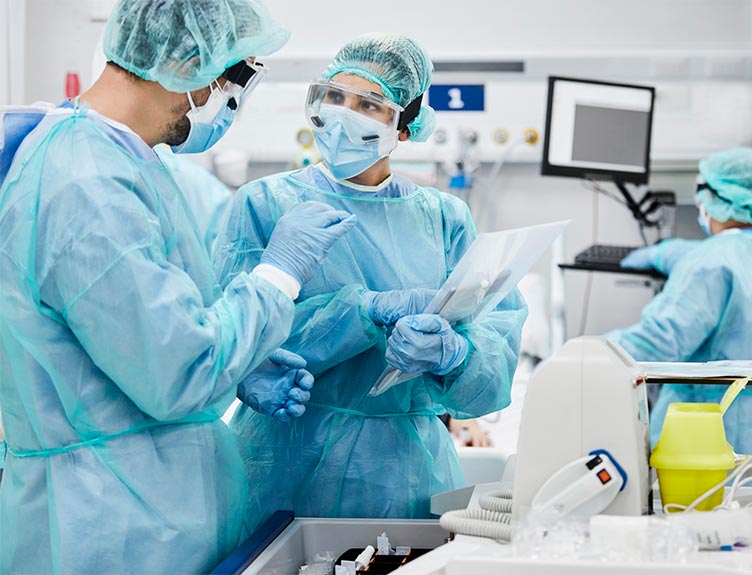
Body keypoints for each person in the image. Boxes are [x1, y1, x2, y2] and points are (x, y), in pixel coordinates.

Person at [0, 1, 357, 573]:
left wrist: (238, 364)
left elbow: (140, 333)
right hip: (107, 528)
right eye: (234, 79)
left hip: (137, 510)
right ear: (189, 60)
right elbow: (177, 369)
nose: (231, 104)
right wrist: (278, 273)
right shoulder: (87, 182)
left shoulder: (122, 161)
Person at [213, 32, 527, 529]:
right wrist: (362, 311)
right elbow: (229, 337)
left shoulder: (444, 219)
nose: (343, 114)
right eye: (334, 97)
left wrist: (455, 356)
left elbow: (493, 356)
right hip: (280, 464)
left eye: (368, 104)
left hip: (404, 475)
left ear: (405, 125)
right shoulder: (264, 205)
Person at [608, 147, 752, 454]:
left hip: (710, 435)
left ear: (714, 200)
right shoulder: (720, 258)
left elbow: (660, 340)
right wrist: (662, 252)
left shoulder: (708, 263)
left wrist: (586, 354)